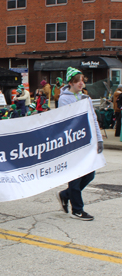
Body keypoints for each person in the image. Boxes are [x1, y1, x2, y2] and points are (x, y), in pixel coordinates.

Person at [56, 67, 103, 221]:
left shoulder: (86, 98)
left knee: (90, 174)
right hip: (72, 143)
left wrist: (99, 139)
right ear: (71, 82)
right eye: (78, 81)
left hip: (86, 142)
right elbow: (65, 121)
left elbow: (93, 119)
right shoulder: (64, 99)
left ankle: (65, 195)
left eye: (82, 81)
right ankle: (77, 210)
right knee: (75, 177)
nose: (81, 84)